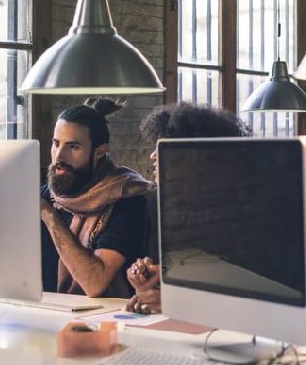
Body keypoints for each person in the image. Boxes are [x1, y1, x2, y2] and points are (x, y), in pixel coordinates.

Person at [125, 103, 251, 314]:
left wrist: (174, 302)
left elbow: (250, 300)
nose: (152, 156)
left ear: (198, 157)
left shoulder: (237, 214)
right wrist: (149, 285)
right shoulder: (161, 204)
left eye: (163, 147)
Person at [40, 98, 153, 298]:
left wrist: (48, 216)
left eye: (73, 147)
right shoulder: (47, 196)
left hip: (106, 320)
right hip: (44, 312)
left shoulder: (126, 199)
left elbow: (94, 282)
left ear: (99, 152)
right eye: (56, 144)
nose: (59, 157)